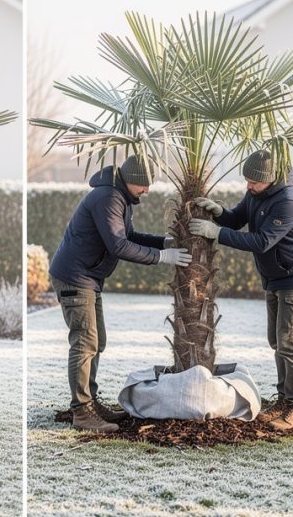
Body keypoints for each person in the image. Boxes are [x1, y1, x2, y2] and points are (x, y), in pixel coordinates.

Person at [49, 155, 192, 432]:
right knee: (85, 343)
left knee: (96, 341)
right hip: (75, 277)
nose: (147, 191)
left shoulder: (119, 196)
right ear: (132, 180)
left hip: (88, 277)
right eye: (144, 185)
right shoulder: (109, 197)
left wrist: (164, 242)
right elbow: (118, 246)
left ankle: (89, 402)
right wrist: (163, 256)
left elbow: (129, 235)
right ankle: (82, 412)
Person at [187, 150, 293, 430]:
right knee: (276, 341)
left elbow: (261, 242)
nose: (248, 186)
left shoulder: (288, 202)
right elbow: (237, 219)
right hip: (274, 278)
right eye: (246, 181)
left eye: (253, 182)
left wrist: (216, 233)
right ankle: (283, 400)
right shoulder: (257, 194)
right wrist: (218, 212)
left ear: (269, 180)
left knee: (289, 342)